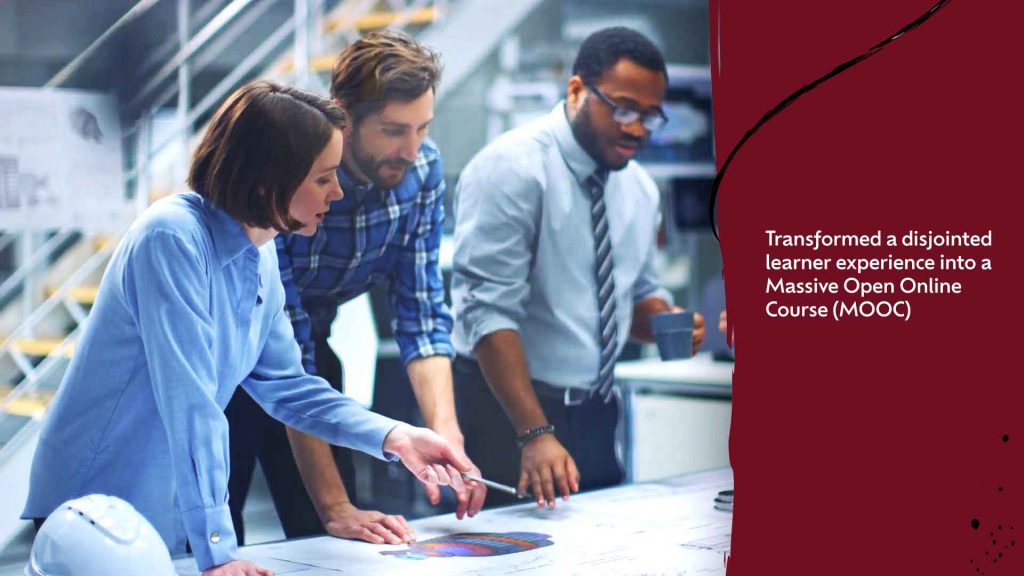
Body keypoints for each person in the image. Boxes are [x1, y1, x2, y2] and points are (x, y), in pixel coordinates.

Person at [23, 81, 471, 576]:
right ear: (269, 180)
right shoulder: (171, 237)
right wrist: (219, 552)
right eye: (323, 178)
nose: (338, 192)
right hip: (97, 508)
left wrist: (396, 436)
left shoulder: (258, 252)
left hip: (164, 505)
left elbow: (290, 388)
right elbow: (191, 403)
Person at [226, 30, 485, 546]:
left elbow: (421, 310)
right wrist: (336, 505)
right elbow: (285, 349)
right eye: (394, 131)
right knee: (216, 536)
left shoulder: (422, 169)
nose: (412, 150)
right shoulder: (292, 173)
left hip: (311, 352)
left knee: (333, 540)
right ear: (343, 113)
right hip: (229, 361)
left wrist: (445, 439)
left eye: (422, 128)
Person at [450, 27, 706, 509]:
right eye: (624, 108)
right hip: (508, 414)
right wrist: (535, 432)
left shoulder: (639, 190)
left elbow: (634, 300)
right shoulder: (512, 168)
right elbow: (487, 315)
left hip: (594, 414)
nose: (636, 128)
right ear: (576, 91)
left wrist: (670, 322)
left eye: (650, 116)